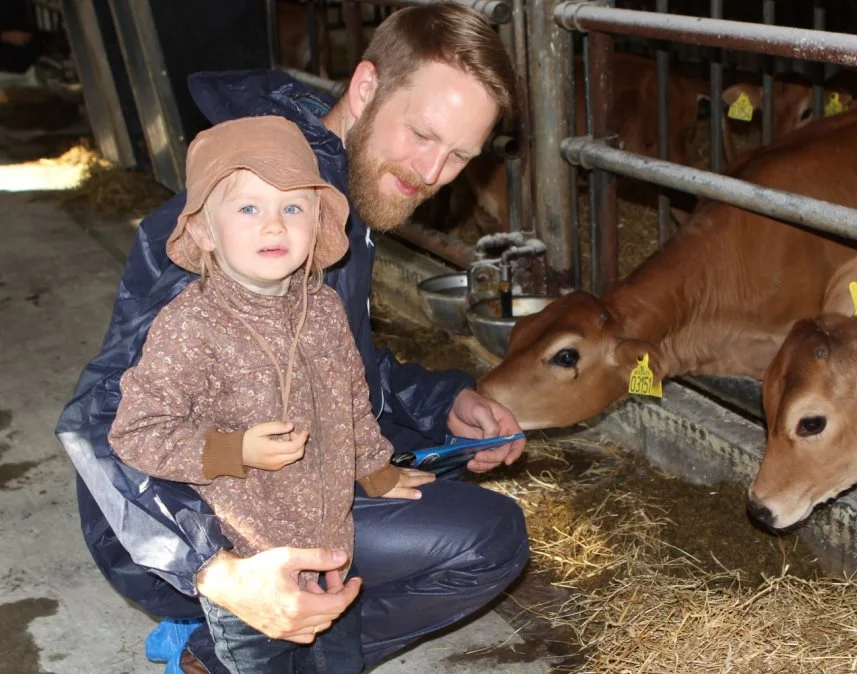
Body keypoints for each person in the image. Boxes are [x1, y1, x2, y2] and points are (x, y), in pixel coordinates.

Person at [55, 4, 530, 672]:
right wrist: (215, 572)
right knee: (493, 539)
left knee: (436, 461)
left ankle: (274, 639)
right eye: (423, 134)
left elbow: (335, 366)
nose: (433, 171)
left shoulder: (341, 195)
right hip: (190, 519)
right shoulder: (248, 213)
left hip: (278, 466)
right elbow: (98, 424)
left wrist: (442, 405)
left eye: (459, 155)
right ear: (365, 89)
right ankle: (230, 643)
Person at [109, 115, 439, 673]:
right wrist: (231, 450)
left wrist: (375, 468)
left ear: (317, 223)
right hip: (249, 563)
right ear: (205, 233)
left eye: (292, 208)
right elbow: (134, 432)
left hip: (331, 547)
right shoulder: (191, 327)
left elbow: (352, 401)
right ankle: (196, 649)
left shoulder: (325, 311)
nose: (273, 226)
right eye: (248, 208)